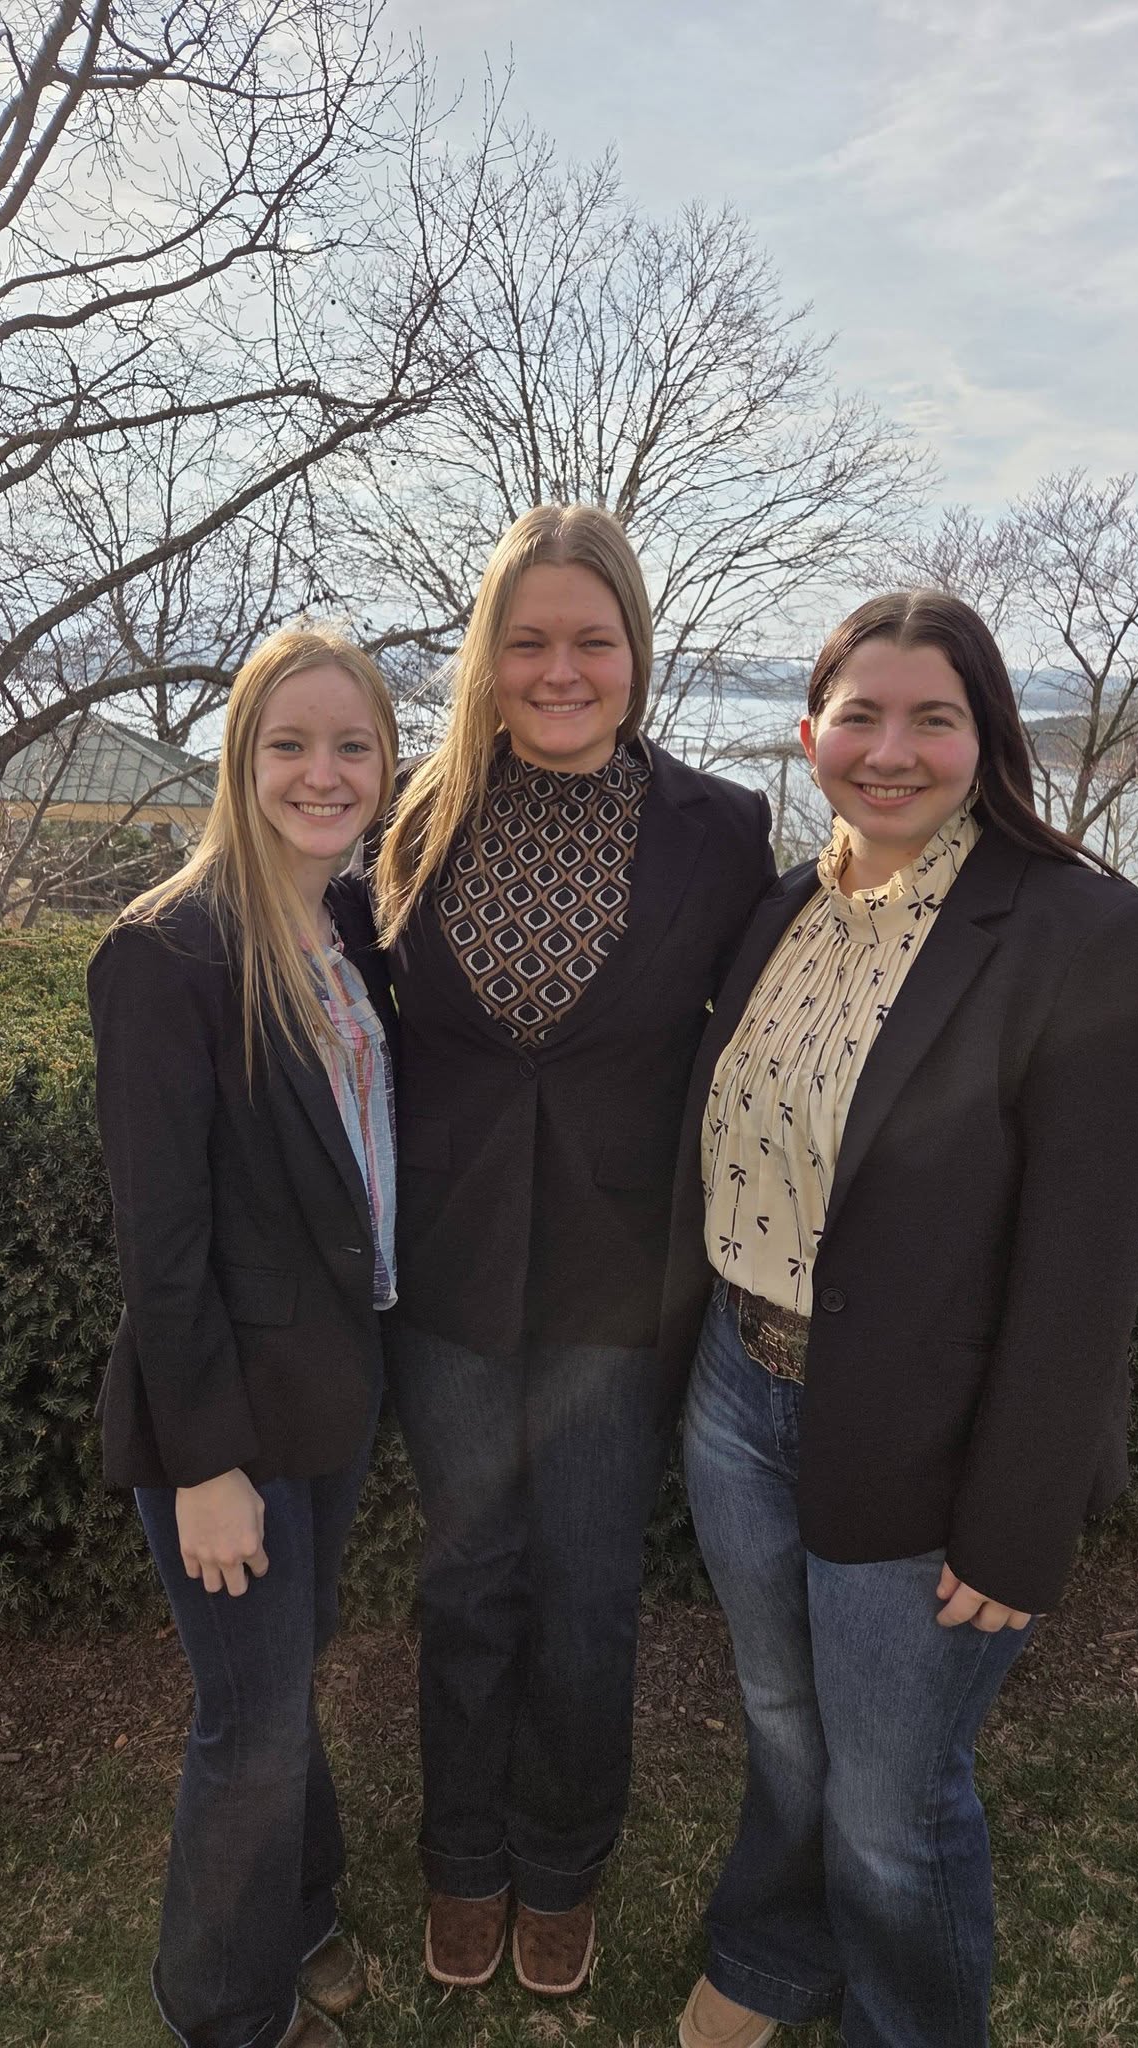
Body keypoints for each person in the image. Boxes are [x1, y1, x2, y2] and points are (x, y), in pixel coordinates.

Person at [670, 590, 1138, 2048]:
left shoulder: (1081, 934)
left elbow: (1089, 1263)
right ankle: (778, 1955)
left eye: (932, 718)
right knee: (783, 1725)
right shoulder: (778, 906)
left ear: (985, 735)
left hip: (923, 1435)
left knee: (898, 1800)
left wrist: (1019, 1519)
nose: (890, 751)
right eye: (861, 715)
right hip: (737, 1392)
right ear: (811, 730)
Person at [371, 504, 776, 1998]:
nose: (560, 669)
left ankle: (564, 1863)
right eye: (528, 641)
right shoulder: (410, 818)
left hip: (623, 1285)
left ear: (635, 653)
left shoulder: (724, 832)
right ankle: (462, 1856)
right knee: (469, 1578)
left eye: (589, 641)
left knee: (592, 1591)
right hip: (452, 1280)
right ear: (487, 660)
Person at [87, 629, 400, 2048]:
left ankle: (305, 1905)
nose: (320, 773)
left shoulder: (355, 934)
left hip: (330, 1395)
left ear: (388, 767)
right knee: (250, 1723)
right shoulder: (171, 953)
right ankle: (225, 2011)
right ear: (240, 756)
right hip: (226, 1424)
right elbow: (160, 1248)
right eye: (290, 744)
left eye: (352, 746)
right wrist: (208, 1464)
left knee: (289, 1678)